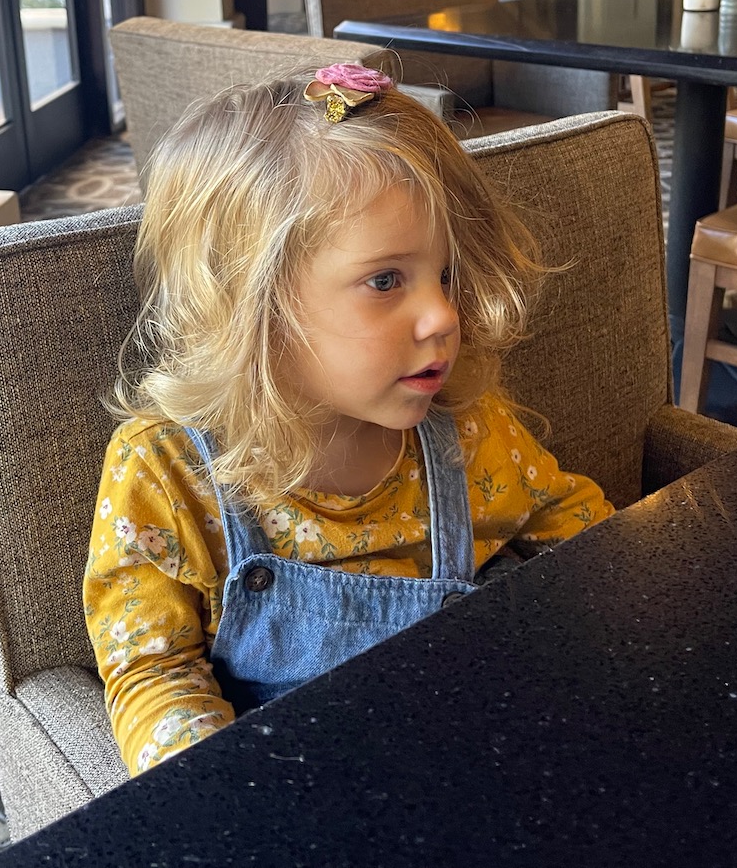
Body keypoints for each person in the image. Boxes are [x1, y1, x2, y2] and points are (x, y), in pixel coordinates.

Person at [83, 65, 614, 775]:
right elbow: (154, 671)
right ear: (254, 305)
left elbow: (580, 532)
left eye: (446, 274)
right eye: (386, 280)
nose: (444, 316)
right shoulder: (165, 471)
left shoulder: (466, 430)